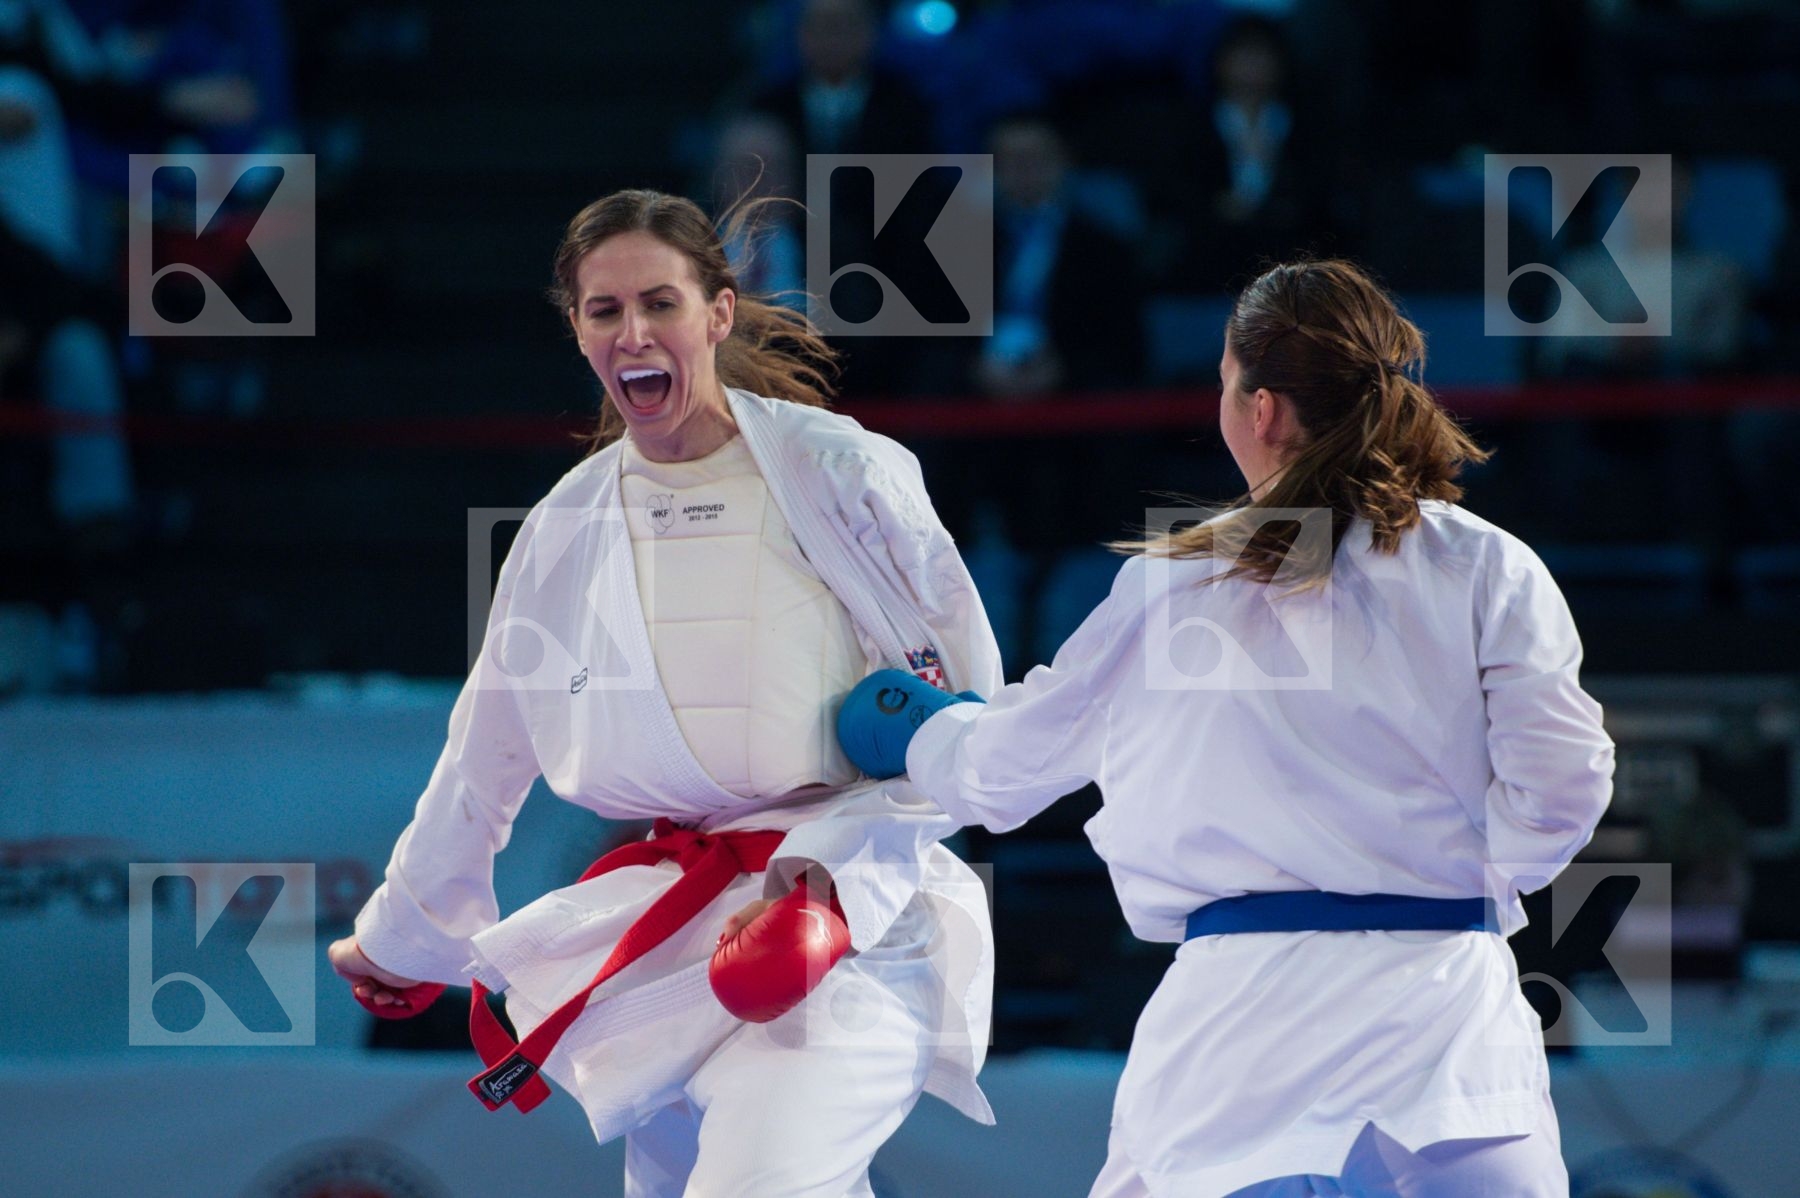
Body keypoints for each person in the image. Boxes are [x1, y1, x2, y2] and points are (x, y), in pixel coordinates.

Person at [837, 259, 1615, 1196]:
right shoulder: (1491, 565)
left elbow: (1000, 774)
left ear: (1263, 411)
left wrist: (913, 726)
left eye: (1223, 383)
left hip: (1239, 1045)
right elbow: (1566, 787)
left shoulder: (1181, 583)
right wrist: (1461, 881)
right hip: (1447, 1034)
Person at [326, 188, 1000, 1198]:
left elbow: (969, 716)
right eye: (605, 311)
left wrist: (837, 869)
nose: (634, 332)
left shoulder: (840, 471)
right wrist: (404, 929)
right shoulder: (569, 523)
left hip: (854, 918)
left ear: (718, 313)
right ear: (578, 330)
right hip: (677, 939)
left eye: (661, 303)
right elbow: (489, 746)